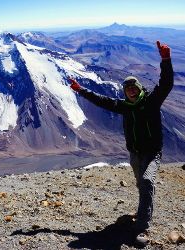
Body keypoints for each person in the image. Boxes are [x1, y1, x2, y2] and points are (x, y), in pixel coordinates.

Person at [69, 41, 173, 247]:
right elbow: (101, 100)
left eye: (134, 88)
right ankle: (144, 207)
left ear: (139, 88)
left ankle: (142, 226)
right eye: (128, 90)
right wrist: (80, 90)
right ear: (125, 92)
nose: (131, 92)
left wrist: (166, 60)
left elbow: (166, 83)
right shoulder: (124, 107)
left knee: (146, 181)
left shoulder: (151, 101)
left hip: (153, 153)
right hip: (135, 153)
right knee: (141, 183)